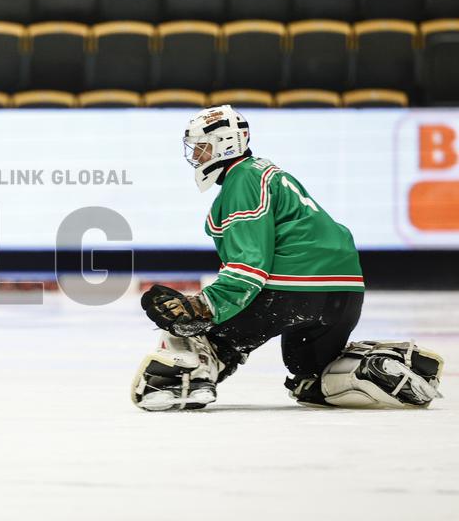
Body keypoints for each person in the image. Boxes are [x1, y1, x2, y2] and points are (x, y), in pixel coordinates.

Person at [132, 105, 443, 411]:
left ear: (224, 144)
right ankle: (377, 370)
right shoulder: (269, 173)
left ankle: (186, 380)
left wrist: (204, 306)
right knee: (310, 373)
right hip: (343, 295)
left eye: (201, 147)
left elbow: (249, 266)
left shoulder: (242, 180)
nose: (196, 156)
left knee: (196, 331)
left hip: (291, 289)